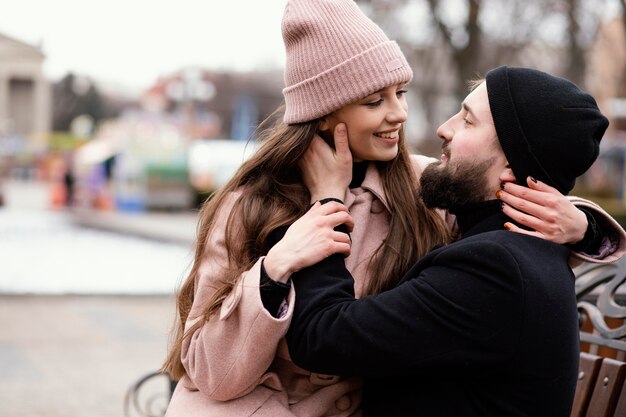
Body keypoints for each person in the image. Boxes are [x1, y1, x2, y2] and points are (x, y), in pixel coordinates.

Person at [162, 0, 626, 415]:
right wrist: (274, 270)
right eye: (374, 100)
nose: (400, 113)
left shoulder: (422, 188)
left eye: (400, 93)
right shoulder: (252, 205)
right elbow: (208, 370)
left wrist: (579, 223)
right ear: (325, 112)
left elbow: (505, 191)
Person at [283, 66, 622, 417]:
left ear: (510, 164)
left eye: (468, 120)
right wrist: (587, 228)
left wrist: (326, 201)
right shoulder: (522, 250)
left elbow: (322, 337)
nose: (443, 128)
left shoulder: (494, 268)